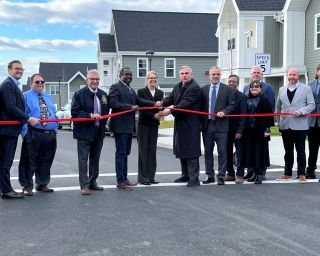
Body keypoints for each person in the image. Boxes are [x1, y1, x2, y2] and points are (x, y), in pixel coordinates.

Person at [108, 67, 161, 191]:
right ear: (120, 75)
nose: (129, 77)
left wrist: (153, 104)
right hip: (120, 126)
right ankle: (120, 181)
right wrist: (130, 107)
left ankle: (124, 178)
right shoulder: (115, 87)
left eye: (130, 75)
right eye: (126, 75)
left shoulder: (130, 90)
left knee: (125, 153)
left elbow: (139, 101)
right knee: (121, 154)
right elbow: (113, 103)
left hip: (128, 127)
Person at [0, 60, 38, 199]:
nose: (20, 71)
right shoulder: (8, 85)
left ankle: (5, 188)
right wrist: (28, 119)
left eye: (22, 69)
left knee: (5, 161)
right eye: (17, 68)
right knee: (5, 162)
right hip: (7, 131)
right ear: (9, 69)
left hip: (10, 130)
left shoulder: (13, 85)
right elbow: (11, 107)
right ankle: (6, 190)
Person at [158, 66, 202, 187]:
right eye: (182, 73)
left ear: (191, 74)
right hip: (180, 123)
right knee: (182, 149)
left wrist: (168, 111)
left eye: (186, 73)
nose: (184, 75)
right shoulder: (178, 86)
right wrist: (160, 104)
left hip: (191, 124)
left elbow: (185, 104)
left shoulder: (195, 87)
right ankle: (185, 175)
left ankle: (194, 178)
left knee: (192, 151)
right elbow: (170, 98)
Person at [18, 73, 59, 196]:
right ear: (31, 83)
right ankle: (27, 186)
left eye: (42, 82)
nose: (40, 84)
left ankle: (42, 184)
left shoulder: (47, 96)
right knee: (29, 161)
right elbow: (22, 114)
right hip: (34, 133)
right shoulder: (25, 96)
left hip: (50, 133)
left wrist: (55, 126)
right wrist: (25, 133)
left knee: (46, 160)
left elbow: (52, 111)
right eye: (37, 82)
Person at [71, 69, 109, 195]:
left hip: (98, 132)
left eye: (97, 79)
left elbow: (106, 112)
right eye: (92, 79)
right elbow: (75, 113)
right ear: (87, 80)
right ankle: (84, 185)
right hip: (84, 132)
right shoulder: (79, 94)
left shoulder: (103, 95)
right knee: (83, 160)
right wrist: (89, 115)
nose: (95, 81)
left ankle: (93, 182)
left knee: (95, 159)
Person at [276, 68, 315, 183]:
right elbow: (278, 107)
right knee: (288, 151)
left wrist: (301, 111)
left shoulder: (306, 88)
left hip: (300, 125)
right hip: (285, 125)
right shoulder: (281, 89)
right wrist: (279, 122)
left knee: (300, 151)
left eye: (294, 75)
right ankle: (287, 173)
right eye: (290, 74)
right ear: (287, 75)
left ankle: (302, 173)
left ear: (298, 76)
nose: (292, 77)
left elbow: (311, 105)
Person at [200, 66, 234, 185]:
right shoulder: (203, 89)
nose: (215, 76)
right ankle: (209, 176)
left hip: (221, 125)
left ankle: (221, 176)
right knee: (208, 152)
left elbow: (231, 105)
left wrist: (224, 112)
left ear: (220, 75)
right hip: (207, 125)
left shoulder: (227, 89)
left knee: (222, 152)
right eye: (213, 74)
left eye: (217, 74)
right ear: (210, 75)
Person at [243, 65, 275, 180]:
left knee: (261, 151)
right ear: (251, 74)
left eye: (258, 72)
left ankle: (261, 173)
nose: (256, 74)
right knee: (251, 150)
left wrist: (267, 128)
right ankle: (252, 172)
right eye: (254, 72)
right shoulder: (246, 88)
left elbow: (270, 108)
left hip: (261, 128)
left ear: (262, 74)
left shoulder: (268, 88)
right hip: (249, 128)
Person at [137, 71, 164, 185]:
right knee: (143, 151)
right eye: (150, 78)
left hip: (154, 125)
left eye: (154, 78)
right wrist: (153, 115)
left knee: (152, 151)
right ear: (146, 80)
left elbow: (160, 108)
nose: (153, 80)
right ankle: (143, 178)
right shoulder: (141, 91)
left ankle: (151, 177)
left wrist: (161, 114)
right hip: (143, 124)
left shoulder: (160, 92)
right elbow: (141, 107)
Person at [225, 74, 247, 184]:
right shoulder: (224, 95)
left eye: (234, 81)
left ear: (238, 84)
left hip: (238, 130)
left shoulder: (242, 97)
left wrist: (240, 131)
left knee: (240, 153)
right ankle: (230, 174)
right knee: (227, 152)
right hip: (226, 130)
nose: (231, 83)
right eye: (229, 81)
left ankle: (240, 175)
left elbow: (243, 116)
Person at [306, 64, 320, 180]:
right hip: (312, 121)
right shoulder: (310, 85)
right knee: (312, 147)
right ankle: (310, 170)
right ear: (317, 72)